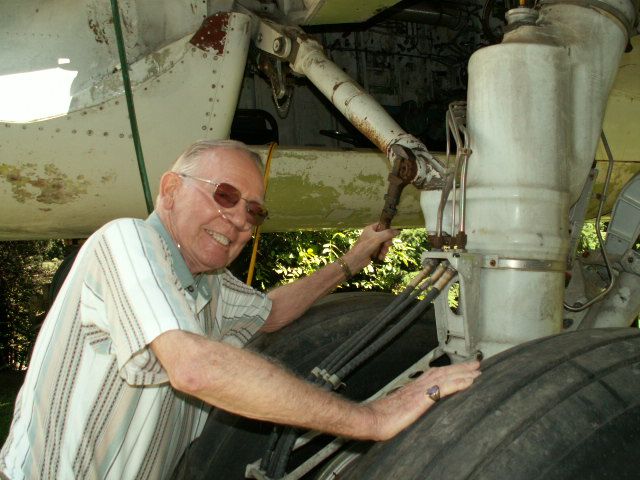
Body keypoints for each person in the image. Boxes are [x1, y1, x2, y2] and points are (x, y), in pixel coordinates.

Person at [0, 140, 480, 479]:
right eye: (225, 195)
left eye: (254, 211)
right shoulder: (126, 241)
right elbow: (193, 367)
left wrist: (351, 261)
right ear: (170, 189)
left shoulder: (209, 284)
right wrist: (373, 419)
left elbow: (270, 312)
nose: (238, 219)